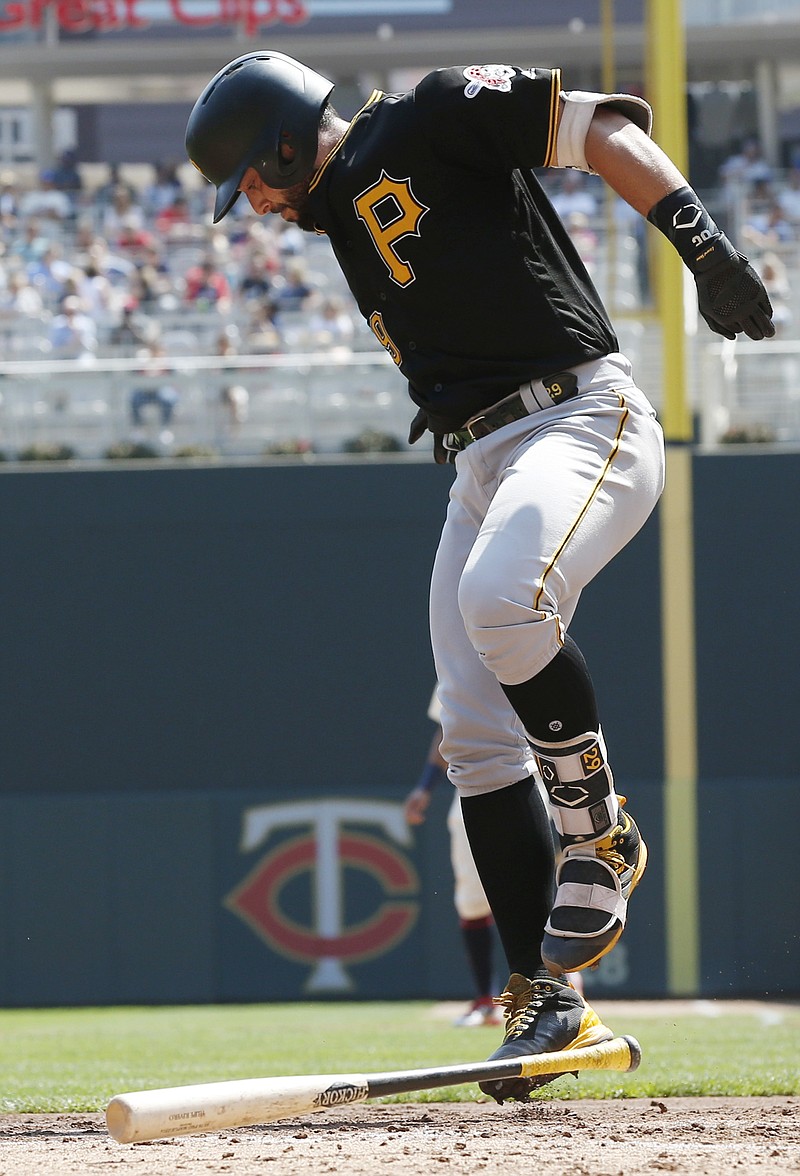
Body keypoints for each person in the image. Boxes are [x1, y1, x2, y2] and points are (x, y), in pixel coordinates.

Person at [186, 51, 774, 1102]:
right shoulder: (340, 212)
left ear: (282, 139)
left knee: (500, 600)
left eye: (255, 181)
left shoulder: (425, 112)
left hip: (577, 413)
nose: (259, 207)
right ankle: (543, 1000)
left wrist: (704, 245)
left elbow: (597, 128)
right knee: (468, 725)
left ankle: (599, 834)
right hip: (479, 454)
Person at [405, 686, 584, 1028]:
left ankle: (563, 985)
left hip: (532, 782)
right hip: (473, 789)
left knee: (547, 891)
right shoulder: (453, 660)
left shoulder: (528, 648)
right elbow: (447, 728)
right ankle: (484, 1000)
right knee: (472, 899)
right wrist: (425, 787)